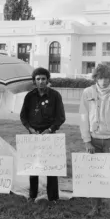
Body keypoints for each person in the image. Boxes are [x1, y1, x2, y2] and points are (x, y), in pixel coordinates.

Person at [79, 64, 110, 219]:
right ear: (96, 78)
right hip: (93, 139)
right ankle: (95, 207)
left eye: (107, 78)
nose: (104, 81)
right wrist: (87, 141)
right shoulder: (87, 92)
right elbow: (83, 117)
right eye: (100, 78)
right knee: (95, 176)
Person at [19, 67, 66, 205]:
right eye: (38, 79)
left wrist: (50, 130)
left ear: (47, 80)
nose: (41, 81)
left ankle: (53, 198)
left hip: (49, 136)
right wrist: (30, 128)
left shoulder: (55, 96)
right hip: (33, 136)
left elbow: (61, 117)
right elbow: (23, 116)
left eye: (43, 79)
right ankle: (32, 195)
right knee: (33, 167)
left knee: (51, 168)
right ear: (34, 81)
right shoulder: (29, 96)